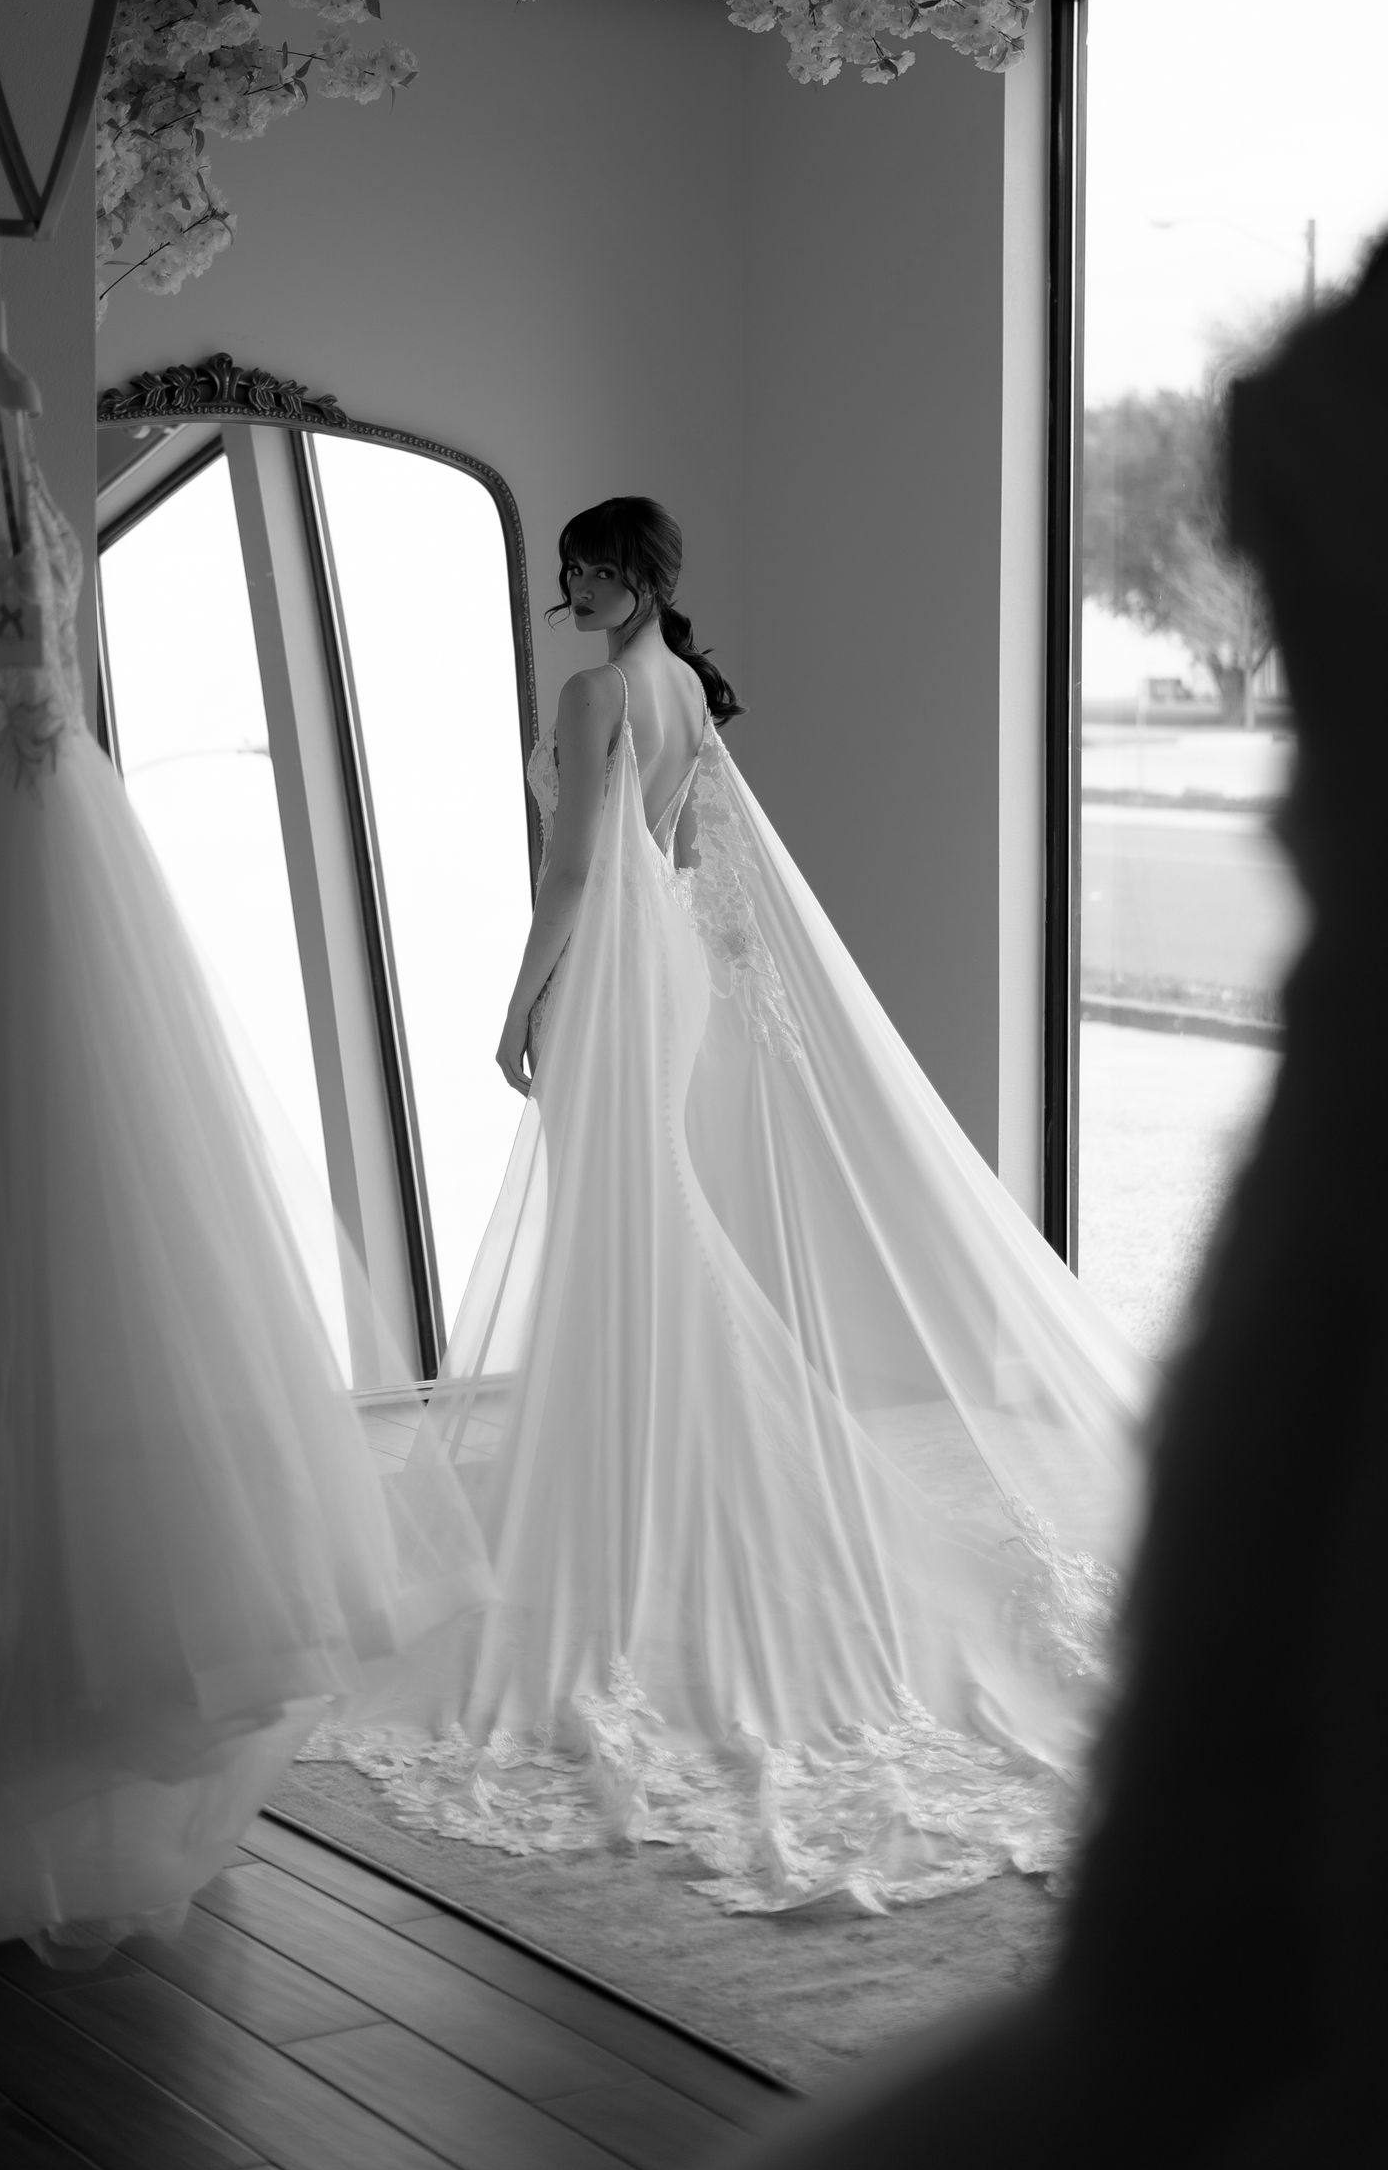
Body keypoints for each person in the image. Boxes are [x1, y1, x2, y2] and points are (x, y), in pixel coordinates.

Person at [306, 498, 1148, 1915]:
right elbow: (686, 857)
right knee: (644, 1232)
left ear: (626, 574)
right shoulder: (686, 686)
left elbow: (576, 868)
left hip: (614, 984)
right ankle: (660, 1471)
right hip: (670, 977)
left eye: (578, 563)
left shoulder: (591, 692)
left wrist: (515, 1011)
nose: (561, 583)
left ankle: (654, 1489)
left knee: (627, 1235)